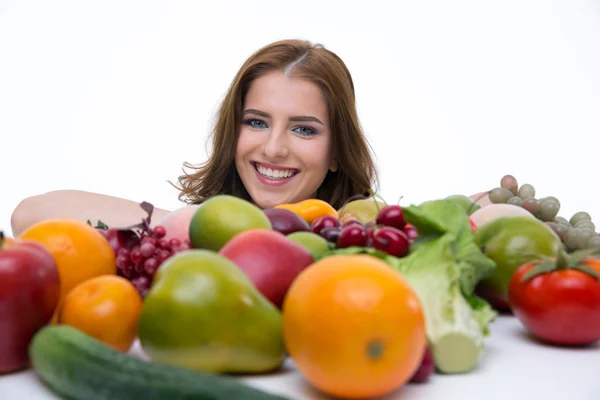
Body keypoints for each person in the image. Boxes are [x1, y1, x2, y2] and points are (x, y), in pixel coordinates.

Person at [10, 39, 490, 237]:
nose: (274, 147)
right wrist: (179, 227)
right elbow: (29, 213)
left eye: (304, 129)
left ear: (338, 151)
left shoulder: (358, 243)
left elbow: (499, 220)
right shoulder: (190, 231)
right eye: (257, 122)